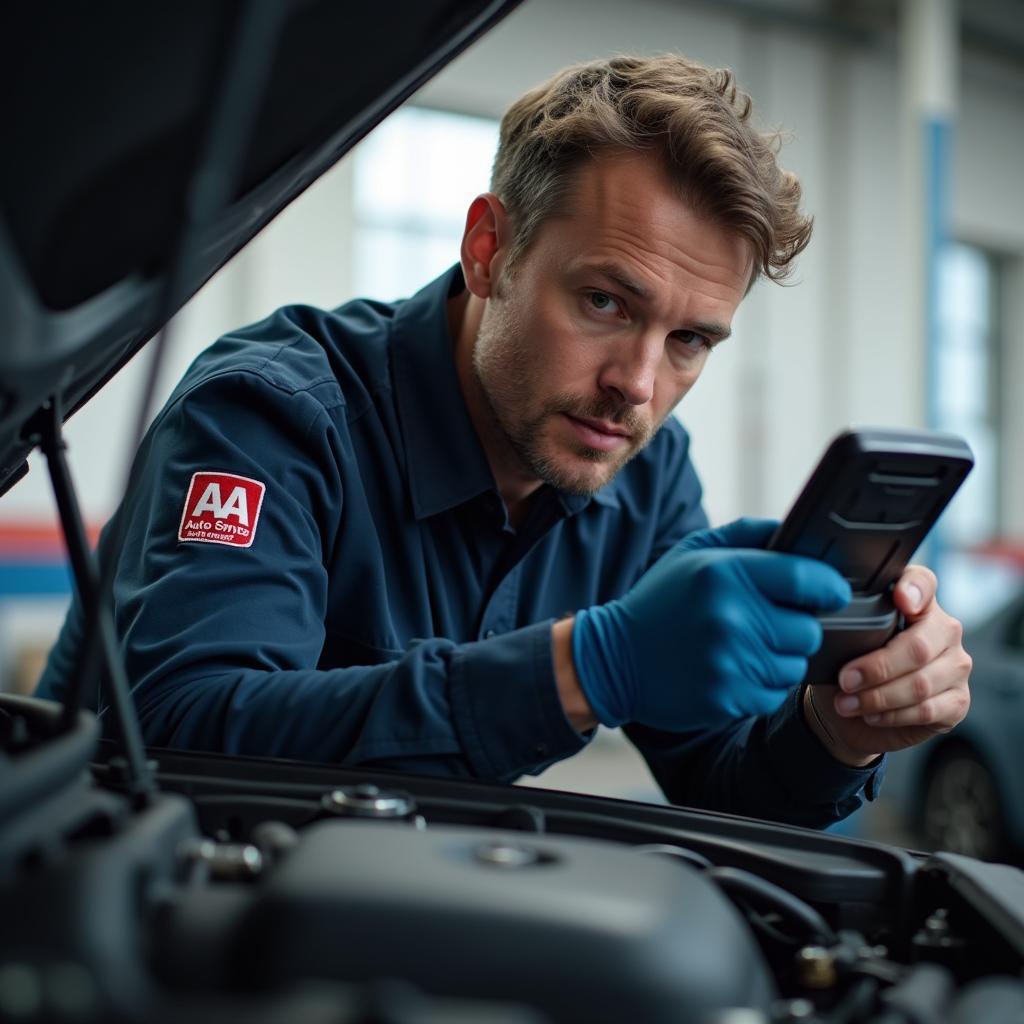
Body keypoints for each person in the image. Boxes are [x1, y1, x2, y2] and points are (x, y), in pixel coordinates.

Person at [38, 54, 971, 829]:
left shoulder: (643, 479)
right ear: (489, 250)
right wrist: (583, 668)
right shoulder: (269, 412)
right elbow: (179, 735)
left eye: (690, 340)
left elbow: (722, 789)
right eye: (605, 302)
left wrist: (837, 729)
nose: (639, 386)